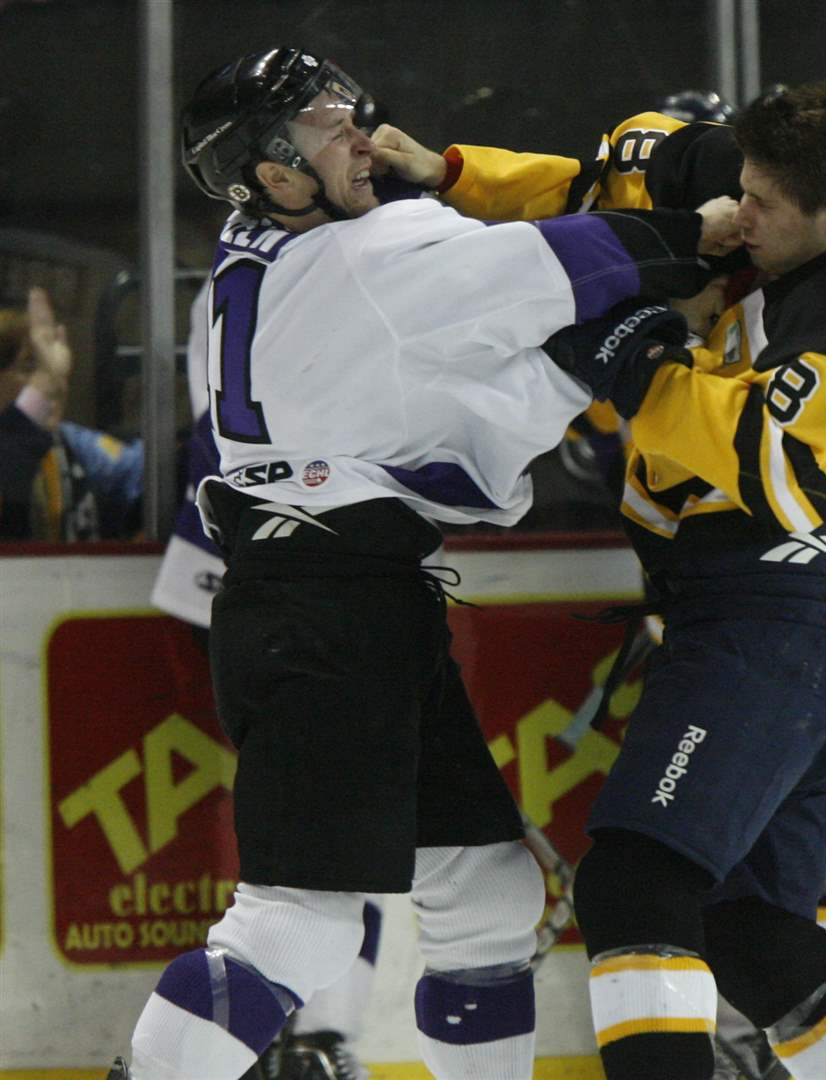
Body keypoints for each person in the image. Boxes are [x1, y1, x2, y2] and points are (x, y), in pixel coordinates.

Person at [106, 45, 738, 1080]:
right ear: (273, 176)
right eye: (325, 127)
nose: (360, 133)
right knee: (296, 924)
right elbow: (554, 266)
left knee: (485, 892)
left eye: (350, 108)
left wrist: (578, 357)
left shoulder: (260, 254)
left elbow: (428, 399)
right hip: (326, 621)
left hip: (338, 598)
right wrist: (698, 237)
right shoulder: (370, 257)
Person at [384, 78, 826, 1080]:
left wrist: (640, 356)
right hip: (781, 629)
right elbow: (611, 183)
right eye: (742, 188)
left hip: (771, 619)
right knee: (749, 935)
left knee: (634, 888)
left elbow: (772, 472)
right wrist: (457, 174)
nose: (740, 218)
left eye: (765, 210)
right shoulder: (778, 189)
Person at [150, 282, 385, 1080]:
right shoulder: (352, 256)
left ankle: (275, 1030)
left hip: (225, 550)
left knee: (289, 810)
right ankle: (318, 1035)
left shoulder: (241, 252)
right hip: (315, 554)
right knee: (346, 813)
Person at [0, 286, 142, 541]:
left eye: (52, 368)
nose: (58, 382)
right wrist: (44, 386)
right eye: (30, 367)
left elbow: (143, 472)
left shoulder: (69, 441)